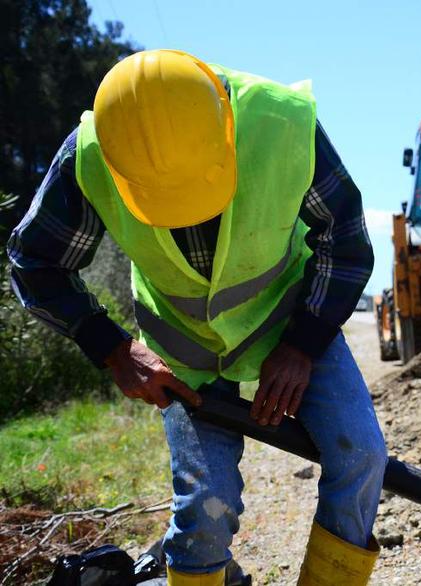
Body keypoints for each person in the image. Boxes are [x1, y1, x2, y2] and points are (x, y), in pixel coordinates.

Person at [6, 50, 386, 585]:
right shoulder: (90, 156)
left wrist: (303, 343)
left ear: (225, 129)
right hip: (181, 346)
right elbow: (35, 262)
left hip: (289, 319)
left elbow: (344, 240)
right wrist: (112, 348)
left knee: (362, 457)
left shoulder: (280, 124)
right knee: (206, 507)